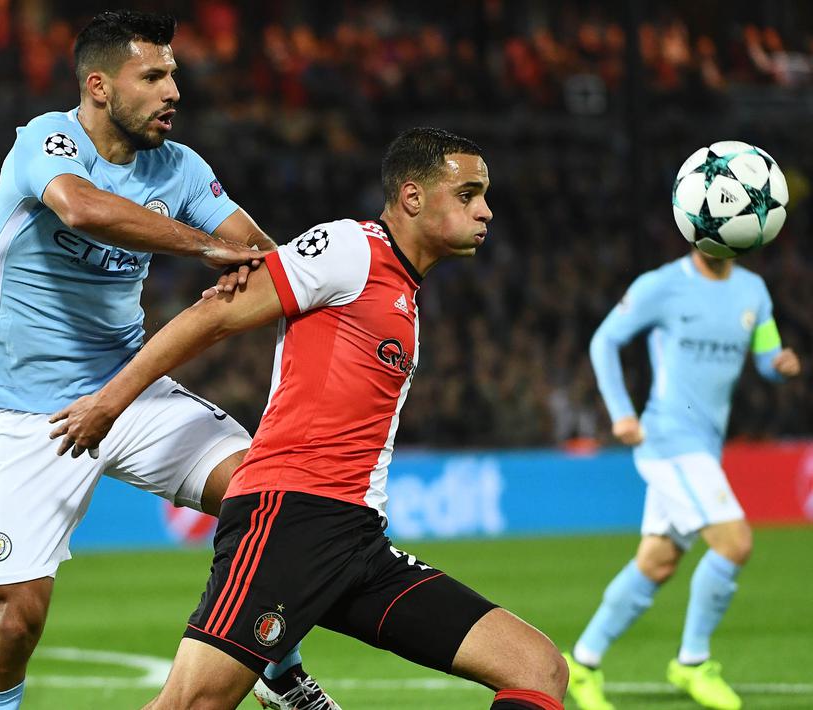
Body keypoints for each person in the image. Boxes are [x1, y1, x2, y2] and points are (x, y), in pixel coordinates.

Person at [50, 127, 569, 710]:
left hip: (356, 539)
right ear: (414, 197)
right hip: (289, 517)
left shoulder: (403, 291)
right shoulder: (349, 249)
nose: (487, 210)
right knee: (192, 704)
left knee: (537, 667)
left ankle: (281, 671)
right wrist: (111, 400)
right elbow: (214, 314)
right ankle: (279, 671)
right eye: (469, 193)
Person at [0, 10, 339, 710]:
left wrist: (248, 258)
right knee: (11, 622)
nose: (173, 90)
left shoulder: (182, 167)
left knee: (266, 497)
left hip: (130, 392)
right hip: (26, 414)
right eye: (154, 75)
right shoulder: (45, 140)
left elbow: (258, 252)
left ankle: (275, 666)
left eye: (174, 74)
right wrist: (202, 246)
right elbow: (79, 208)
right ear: (99, 86)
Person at [564, 246, 802, 710]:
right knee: (734, 543)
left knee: (656, 562)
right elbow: (604, 341)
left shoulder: (754, 290)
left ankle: (582, 662)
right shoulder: (662, 284)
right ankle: (692, 663)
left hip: (705, 445)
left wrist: (779, 367)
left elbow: (765, 354)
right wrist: (621, 413)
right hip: (668, 439)